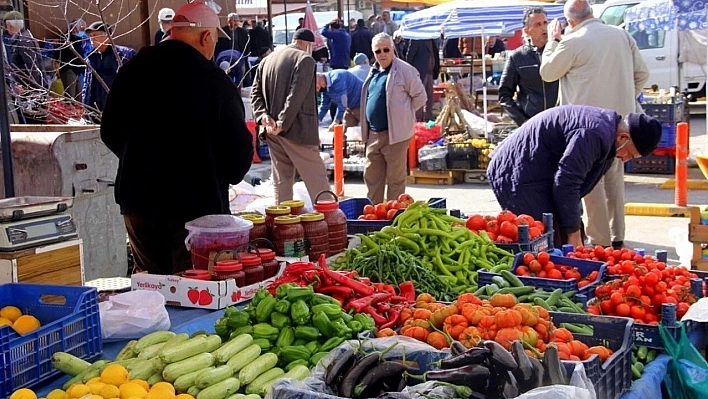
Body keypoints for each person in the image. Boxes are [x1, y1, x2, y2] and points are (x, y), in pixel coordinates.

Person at [100, 1, 253, 275]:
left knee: (153, 286)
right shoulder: (214, 81)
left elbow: (109, 131)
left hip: (138, 199)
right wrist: (219, 172)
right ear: (206, 37)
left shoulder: (132, 72)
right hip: (196, 207)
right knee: (195, 285)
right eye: (215, 41)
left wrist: (140, 161)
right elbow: (238, 155)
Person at [540, 0, 649, 249]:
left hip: (588, 127)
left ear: (570, 22)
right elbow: (642, 74)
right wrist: (624, 96)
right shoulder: (621, 35)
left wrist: (553, 42)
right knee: (614, 181)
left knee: (592, 185)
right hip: (621, 123)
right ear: (592, 13)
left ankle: (600, 244)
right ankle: (618, 237)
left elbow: (547, 72)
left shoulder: (573, 41)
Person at [487, 105, 662, 248]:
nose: (624, 159)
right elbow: (566, 183)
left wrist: (573, 228)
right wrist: (573, 233)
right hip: (515, 171)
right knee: (539, 239)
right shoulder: (593, 134)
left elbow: (575, 187)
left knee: (558, 237)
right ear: (624, 137)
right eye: (629, 154)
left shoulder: (608, 138)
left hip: (539, 170)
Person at [251, 28, 331, 204]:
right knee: (317, 181)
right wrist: (282, 122)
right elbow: (296, 95)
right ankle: (331, 223)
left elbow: (254, 93)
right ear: (307, 44)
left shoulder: (266, 61)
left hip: (271, 130)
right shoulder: (305, 59)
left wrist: (262, 116)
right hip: (296, 130)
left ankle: (284, 225)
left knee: (282, 183)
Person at [360, 33, 426, 204]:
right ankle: (374, 214)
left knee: (395, 180)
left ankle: (393, 217)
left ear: (393, 49)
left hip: (396, 135)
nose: (382, 54)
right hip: (374, 134)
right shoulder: (373, 71)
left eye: (386, 49)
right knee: (372, 177)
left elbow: (420, 97)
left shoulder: (405, 70)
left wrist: (403, 115)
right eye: (378, 51)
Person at [499, 8, 559, 126]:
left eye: (545, 23)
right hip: (532, 121)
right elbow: (504, 95)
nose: (544, 27)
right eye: (537, 24)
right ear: (527, 31)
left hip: (559, 118)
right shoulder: (517, 57)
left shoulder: (559, 50)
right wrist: (523, 121)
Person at [83, 22, 136, 112]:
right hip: (96, 112)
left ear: (106, 36)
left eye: (95, 35)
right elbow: (86, 86)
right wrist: (86, 110)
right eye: (90, 35)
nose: (91, 39)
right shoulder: (91, 58)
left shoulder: (124, 56)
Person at [4, 11, 46, 89]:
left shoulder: (23, 41)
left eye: (7, 26)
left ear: (10, 25)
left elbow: (32, 66)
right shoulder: (23, 37)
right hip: (27, 86)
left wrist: (32, 88)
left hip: (29, 88)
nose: (6, 29)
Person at [406, 38, 439, 122]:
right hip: (419, 73)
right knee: (419, 98)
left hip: (430, 73)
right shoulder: (417, 39)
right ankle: (417, 122)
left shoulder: (433, 39)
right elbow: (410, 57)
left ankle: (428, 120)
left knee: (429, 99)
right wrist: (411, 74)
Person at [58, 18, 86, 99]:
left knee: (79, 97)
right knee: (70, 97)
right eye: (81, 28)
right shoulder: (67, 38)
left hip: (77, 71)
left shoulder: (78, 38)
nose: (82, 31)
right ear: (74, 28)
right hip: (69, 70)